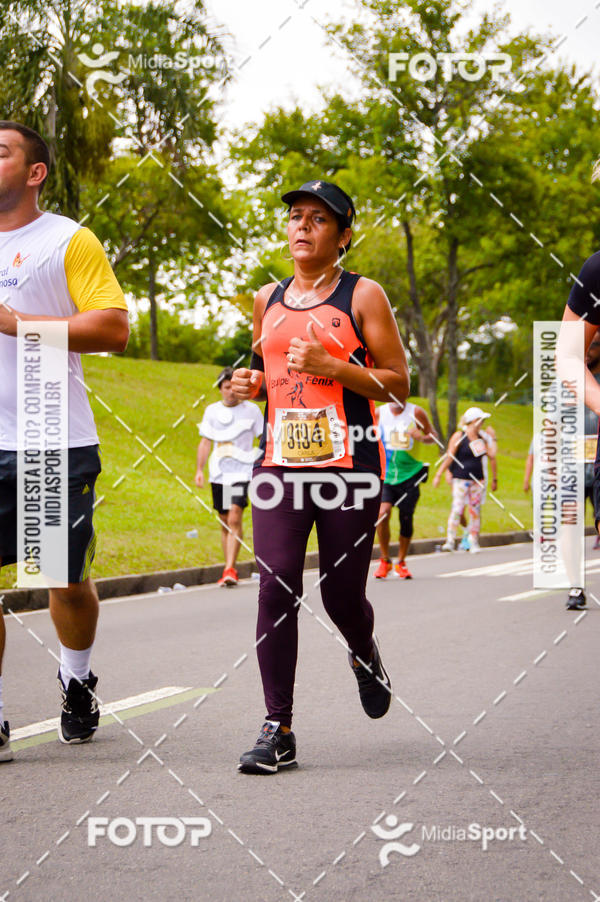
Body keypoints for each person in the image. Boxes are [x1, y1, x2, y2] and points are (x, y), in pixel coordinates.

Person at [231, 179, 409, 774]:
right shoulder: (266, 299)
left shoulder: (364, 295)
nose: (302, 226)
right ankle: (277, 727)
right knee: (276, 582)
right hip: (280, 463)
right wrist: (246, 387)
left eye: (318, 219)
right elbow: (265, 375)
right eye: (295, 217)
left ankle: (363, 651)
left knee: (340, 595)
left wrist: (335, 365)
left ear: (343, 236)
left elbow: (398, 385)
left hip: (350, 464)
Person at [0, 122, 129, 761]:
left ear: (35, 171)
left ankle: (76, 682)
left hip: (48, 440)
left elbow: (112, 328)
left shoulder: (66, 241)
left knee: (61, 579)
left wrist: (17, 325)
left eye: (1, 153)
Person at [195, 366, 263, 586]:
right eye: (226, 387)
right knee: (225, 521)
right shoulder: (212, 411)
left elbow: (264, 438)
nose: (231, 392)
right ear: (220, 389)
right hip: (219, 474)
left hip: (242, 472)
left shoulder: (251, 410)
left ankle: (230, 569)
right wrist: (199, 470)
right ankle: (227, 565)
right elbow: (205, 442)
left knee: (235, 516)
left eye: (233, 387)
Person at [374, 400, 437, 579]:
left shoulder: (416, 412)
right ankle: (385, 560)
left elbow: (433, 436)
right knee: (382, 513)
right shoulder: (379, 413)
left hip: (410, 475)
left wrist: (422, 437)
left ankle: (401, 562)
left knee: (406, 518)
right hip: (386, 475)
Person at [432, 407, 496, 553]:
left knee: (475, 511)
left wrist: (493, 439)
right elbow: (450, 456)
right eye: (481, 420)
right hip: (461, 478)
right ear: (474, 421)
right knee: (457, 508)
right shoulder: (459, 436)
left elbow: (492, 455)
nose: (482, 423)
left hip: (477, 480)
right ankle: (450, 539)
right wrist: (440, 473)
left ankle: (473, 540)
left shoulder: (481, 438)